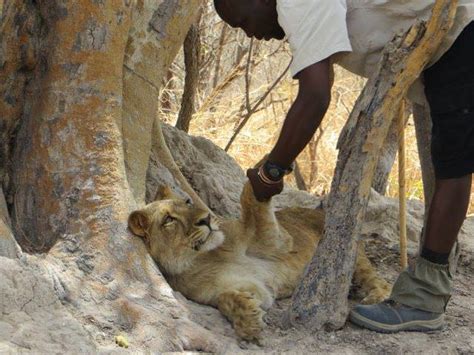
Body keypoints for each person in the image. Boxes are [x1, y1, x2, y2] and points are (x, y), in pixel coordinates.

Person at [214, 0, 474, 333]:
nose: (250, 34)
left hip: (460, 34)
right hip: (449, 42)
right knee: (454, 159)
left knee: (453, 164)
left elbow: (316, 95)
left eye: (242, 21)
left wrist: (273, 170)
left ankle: (424, 298)